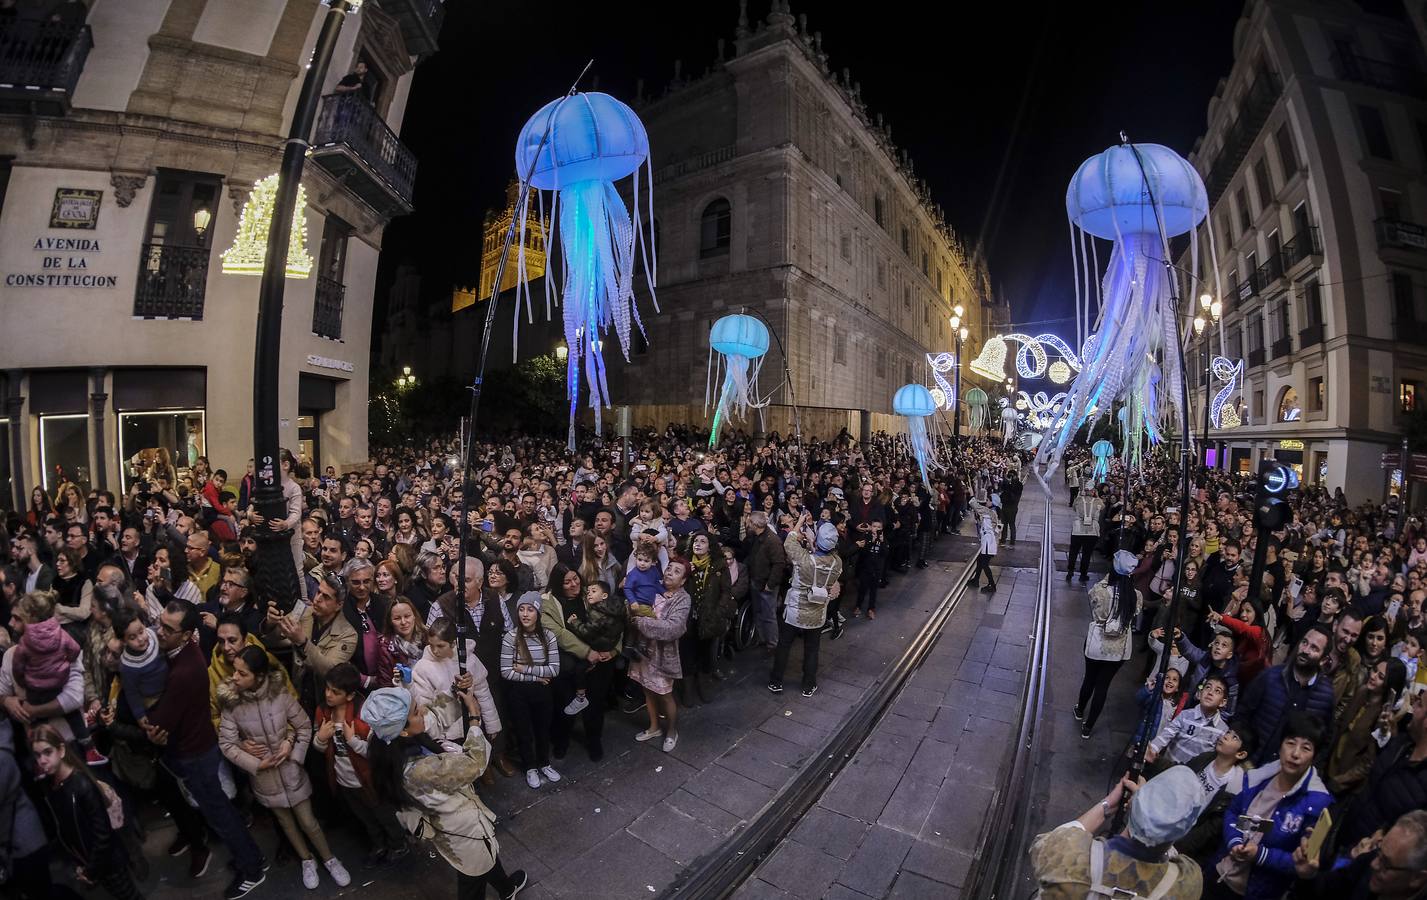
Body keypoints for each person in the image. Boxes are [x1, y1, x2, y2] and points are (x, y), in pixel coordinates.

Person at [142, 600, 268, 900]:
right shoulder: (182, 654)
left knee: (220, 814)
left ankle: (252, 869)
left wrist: (147, 718)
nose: (160, 632)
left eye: (168, 629)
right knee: (220, 811)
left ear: (187, 635)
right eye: (160, 624)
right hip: (196, 748)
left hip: (194, 753)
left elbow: (160, 722)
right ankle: (249, 856)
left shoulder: (184, 670)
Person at [361, 686, 528, 900]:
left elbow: (433, 714)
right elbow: (474, 763)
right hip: (462, 830)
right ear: (403, 730)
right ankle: (505, 889)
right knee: (472, 878)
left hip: (448, 826)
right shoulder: (420, 770)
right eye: (415, 711)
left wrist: (457, 689)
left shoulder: (383, 738)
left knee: (485, 858)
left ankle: (506, 889)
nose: (422, 710)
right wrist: (474, 716)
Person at [217, 645, 351, 890]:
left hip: (292, 773)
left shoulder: (280, 695)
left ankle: (330, 859)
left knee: (309, 822)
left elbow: (302, 726)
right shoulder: (232, 704)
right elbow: (226, 744)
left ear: (259, 677)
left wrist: (293, 750)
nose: (235, 677)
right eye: (235, 671)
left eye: (242, 673)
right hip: (264, 779)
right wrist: (256, 763)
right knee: (286, 824)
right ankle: (306, 860)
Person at [1029, 766, 1207, 900]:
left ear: (1136, 806)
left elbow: (1041, 844)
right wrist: (1161, 815)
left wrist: (1107, 804)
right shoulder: (1188, 884)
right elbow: (1169, 846)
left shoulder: (1066, 853)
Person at [1210, 712, 1333, 900]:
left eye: (1306, 748)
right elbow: (1234, 812)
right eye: (1290, 743)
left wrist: (1260, 854)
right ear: (1281, 745)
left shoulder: (1316, 801)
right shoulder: (1260, 778)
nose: (1295, 754)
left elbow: (1301, 862)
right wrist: (1235, 842)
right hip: (1219, 871)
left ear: (1314, 756)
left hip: (1254, 891)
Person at [28, 724, 145, 900]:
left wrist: (91, 871)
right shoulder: (52, 786)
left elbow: (103, 835)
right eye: (37, 755)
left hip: (108, 863)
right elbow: (66, 831)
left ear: (61, 750)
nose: (42, 760)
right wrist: (79, 865)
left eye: (47, 752)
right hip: (89, 862)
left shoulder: (82, 785)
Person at [312, 662, 409, 868]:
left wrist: (352, 740)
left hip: (369, 780)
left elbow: (377, 754)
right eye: (327, 688)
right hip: (344, 780)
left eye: (335, 692)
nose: (328, 694)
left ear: (349, 695)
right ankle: (379, 846)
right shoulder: (322, 712)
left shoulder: (365, 715)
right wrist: (320, 738)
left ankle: (398, 845)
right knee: (365, 817)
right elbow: (322, 749)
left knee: (383, 815)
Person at [1232, 624, 1336, 766]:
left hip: (1286, 777)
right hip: (1251, 765)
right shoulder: (1270, 677)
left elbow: (1325, 743)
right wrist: (1243, 756)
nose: (1305, 650)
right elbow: (1242, 714)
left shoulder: (1325, 696)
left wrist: (1306, 770)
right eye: (1304, 643)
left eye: (1314, 648)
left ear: (1323, 660)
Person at [769, 515, 842, 698]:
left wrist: (799, 522)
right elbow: (824, 558)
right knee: (812, 649)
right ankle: (808, 685)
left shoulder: (804, 560)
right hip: (817, 614)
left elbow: (789, 543)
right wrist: (813, 544)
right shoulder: (837, 563)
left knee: (784, 645)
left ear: (817, 539)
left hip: (795, 610)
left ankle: (776, 681)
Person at [1075, 550, 1143, 739]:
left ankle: (1080, 710)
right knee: (1103, 686)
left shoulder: (1101, 590)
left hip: (1098, 644)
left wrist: (1106, 581)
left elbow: (1094, 605)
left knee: (1089, 678)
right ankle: (1088, 727)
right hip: (1119, 649)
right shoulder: (1135, 595)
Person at [499, 591, 561, 788]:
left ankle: (544, 762)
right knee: (523, 732)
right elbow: (506, 671)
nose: (525, 614)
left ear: (538, 613)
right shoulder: (510, 637)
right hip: (519, 693)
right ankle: (530, 767)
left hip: (543, 692)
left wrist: (525, 668)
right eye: (522, 610)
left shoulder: (548, 636)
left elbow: (554, 669)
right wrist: (537, 676)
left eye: (530, 609)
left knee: (543, 729)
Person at [630, 557, 692, 751]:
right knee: (647, 690)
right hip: (643, 650)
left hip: (662, 655)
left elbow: (673, 628)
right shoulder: (653, 586)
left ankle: (672, 731)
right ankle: (654, 727)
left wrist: (641, 622)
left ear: (682, 580)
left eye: (676, 571)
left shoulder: (683, 598)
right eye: (669, 568)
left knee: (665, 694)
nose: (669, 573)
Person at [745, 511, 786, 651]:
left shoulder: (772, 541)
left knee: (769, 615)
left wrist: (770, 584)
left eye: (749, 522)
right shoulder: (754, 536)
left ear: (755, 524)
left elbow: (779, 564)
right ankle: (761, 638)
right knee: (757, 612)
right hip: (755, 580)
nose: (747, 524)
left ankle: (772, 643)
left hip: (767, 584)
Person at [1067, 485, 1104, 584]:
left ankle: (1070, 571)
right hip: (1092, 532)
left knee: (1073, 551)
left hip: (1078, 529)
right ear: (1093, 491)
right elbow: (1103, 507)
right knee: (1086, 554)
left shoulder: (1078, 499)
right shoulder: (1098, 501)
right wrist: (1097, 496)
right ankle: (1083, 574)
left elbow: (1074, 508)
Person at [968, 498, 999, 594]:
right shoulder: (989, 512)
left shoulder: (989, 512)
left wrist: (973, 495)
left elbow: (973, 504)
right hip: (987, 540)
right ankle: (976, 580)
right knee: (980, 560)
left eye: (989, 500)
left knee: (985, 564)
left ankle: (992, 585)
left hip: (989, 542)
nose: (987, 501)